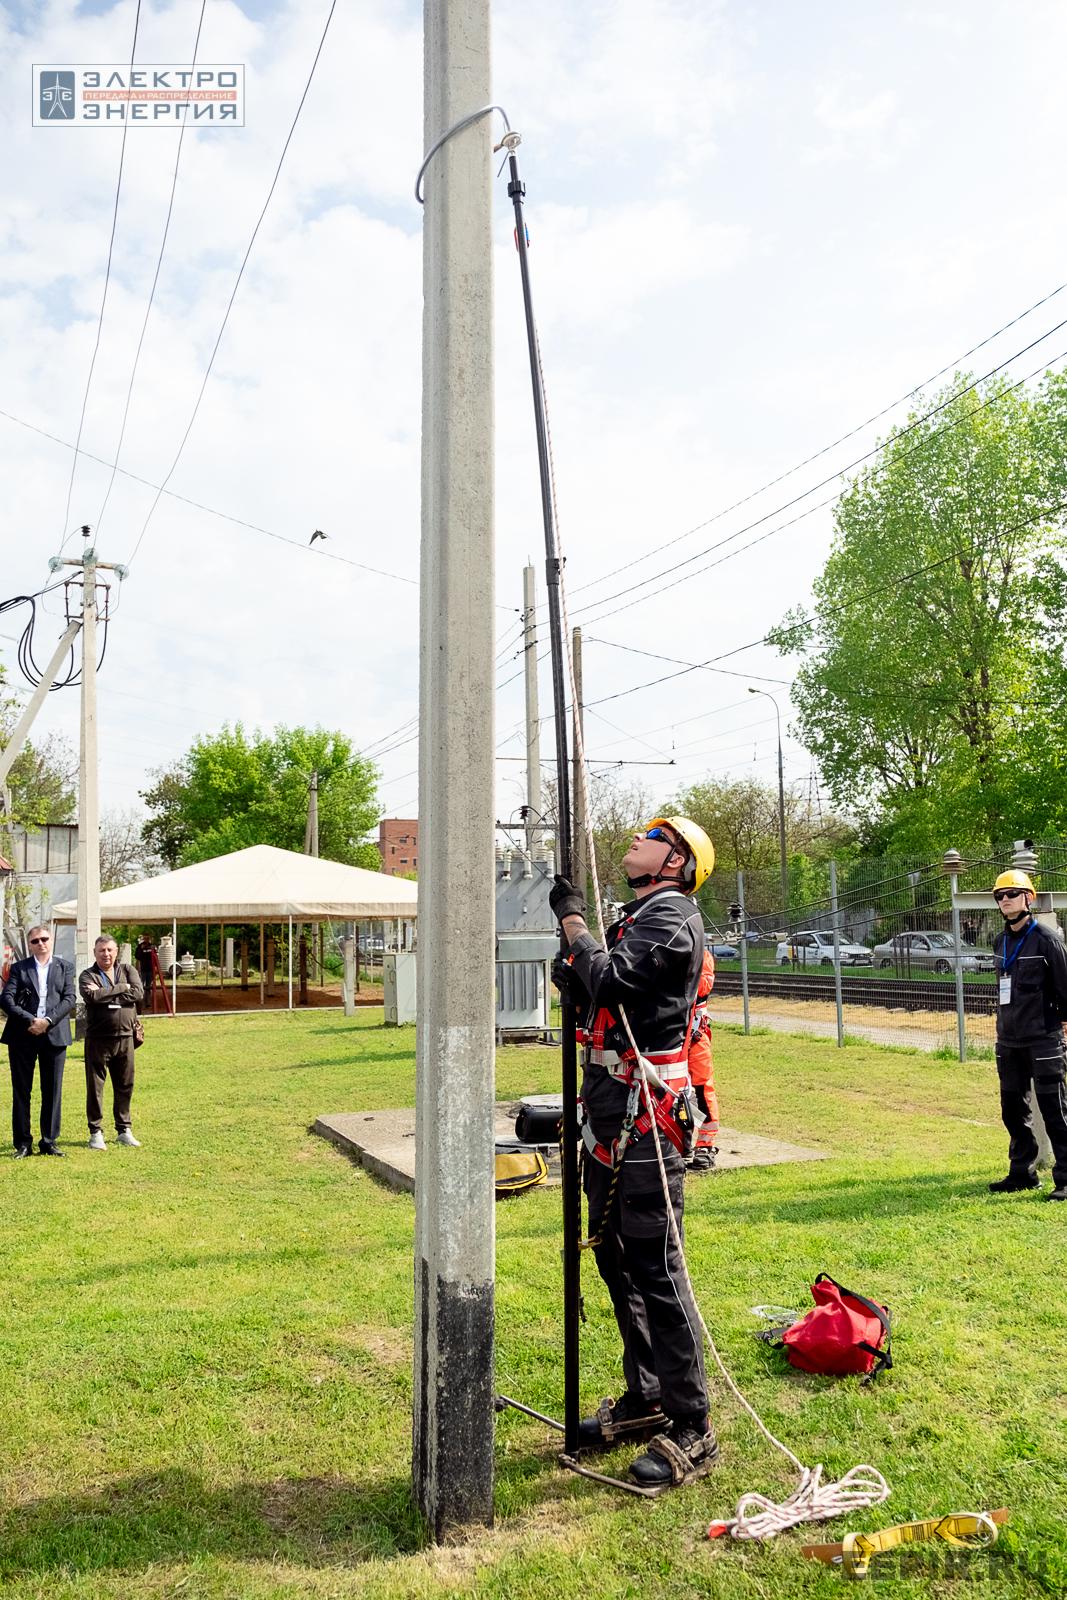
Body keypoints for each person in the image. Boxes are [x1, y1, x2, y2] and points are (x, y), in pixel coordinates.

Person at [550, 815, 716, 1490]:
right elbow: (582, 986)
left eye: (653, 834)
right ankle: (648, 1395)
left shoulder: (671, 916)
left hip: (645, 1119)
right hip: (609, 1109)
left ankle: (693, 1425)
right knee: (614, 1255)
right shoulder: (636, 914)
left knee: (654, 1265)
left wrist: (572, 924)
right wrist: (574, 951)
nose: (638, 837)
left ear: (675, 862)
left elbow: (610, 981)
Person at [988, 870, 1067, 1201]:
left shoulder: (1048, 941)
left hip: (1044, 1039)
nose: (1005, 900)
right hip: (1009, 1040)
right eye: (999, 896)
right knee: (1012, 1110)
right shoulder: (999, 941)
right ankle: (1022, 1173)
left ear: (1028, 898)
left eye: (1012, 893)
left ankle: (1064, 1179)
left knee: (1055, 1110)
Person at [0, 927, 76, 1157]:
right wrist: (31, 1019)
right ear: (30, 944)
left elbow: (69, 998)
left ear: (50, 940)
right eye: (36, 940)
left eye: (44, 939)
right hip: (23, 1034)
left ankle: (49, 1141)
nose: (41, 943)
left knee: (52, 1089)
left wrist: (48, 1021)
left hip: (54, 1034)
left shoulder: (65, 967)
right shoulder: (19, 968)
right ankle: (23, 1143)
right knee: (21, 1090)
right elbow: (6, 999)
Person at [79, 935, 144, 1150]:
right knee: (95, 1087)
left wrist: (106, 994)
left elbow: (138, 992)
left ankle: (124, 1130)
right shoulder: (87, 975)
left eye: (109, 950)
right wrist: (122, 988)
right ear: (94, 952)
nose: (106, 954)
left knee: (125, 1085)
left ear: (116, 952)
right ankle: (95, 1132)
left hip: (126, 1037)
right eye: (101, 951)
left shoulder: (127, 970)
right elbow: (92, 998)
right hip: (98, 1039)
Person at [687, 948, 719, 1174]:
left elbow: (701, 988)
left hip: (695, 1036)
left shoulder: (701, 955)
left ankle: (705, 1145)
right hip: (667, 1036)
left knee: (701, 1089)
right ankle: (678, 1140)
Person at [135, 933, 155, 1012]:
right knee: (141, 986)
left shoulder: (152, 946)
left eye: (148, 938)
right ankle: (142, 1002)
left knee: (149, 986)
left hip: (150, 969)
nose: (146, 940)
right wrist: (141, 949)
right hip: (142, 969)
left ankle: (148, 1002)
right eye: (145, 938)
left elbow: (155, 956)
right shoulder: (140, 946)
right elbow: (137, 956)